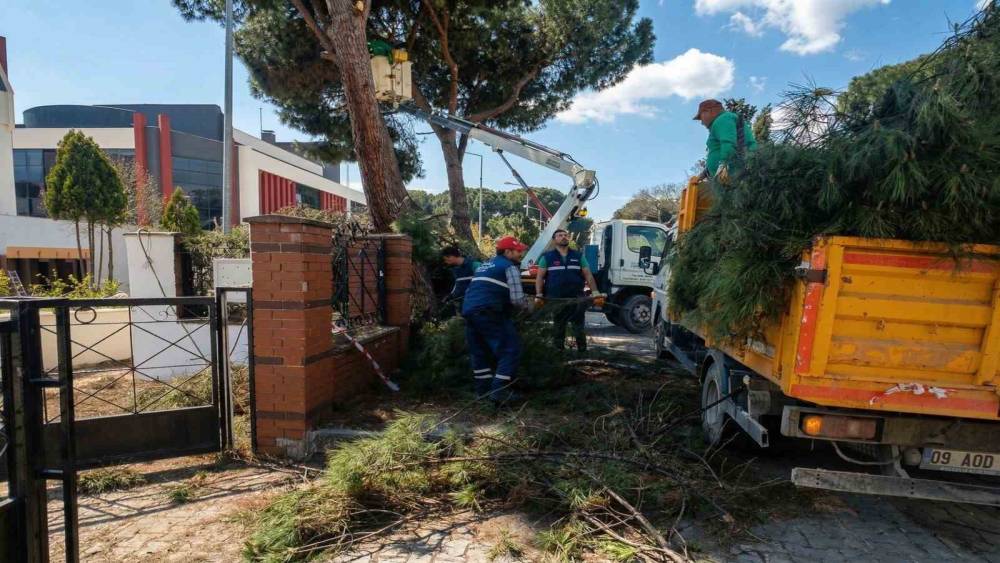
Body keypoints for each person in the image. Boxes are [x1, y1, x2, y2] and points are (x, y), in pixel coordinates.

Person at [461, 236, 532, 400]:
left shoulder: (484, 266)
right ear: (508, 252)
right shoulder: (509, 267)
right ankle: (499, 391)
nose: (520, 254)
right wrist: (531, 307)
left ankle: (483, 391)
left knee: (479, 352)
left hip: (470, 311)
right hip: (489, 311)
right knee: (510, 349)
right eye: (518, 251)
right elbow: (517, 299)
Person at [534, 230, 604, 353]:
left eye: (566, 235)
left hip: (576, 298)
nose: (564, 237)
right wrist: (539, 294)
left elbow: (588, 275)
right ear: (554, 240)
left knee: (578, 326)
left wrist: (595, 292)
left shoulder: (578, 256)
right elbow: (540, 277)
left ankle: (582, 352)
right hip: (556, 299)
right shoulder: (546, 257)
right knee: (559, 326)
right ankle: (559, 352)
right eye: (560, 235)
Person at [693, 99, 757, 182]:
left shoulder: (722, 119)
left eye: (701, 117)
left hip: (736, 175)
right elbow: (717, 151)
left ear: (709, 111)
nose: (702, 122)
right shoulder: (722, 121)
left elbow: (729, 143)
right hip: (729, 177)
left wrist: (723, 165)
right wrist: (702, 175)